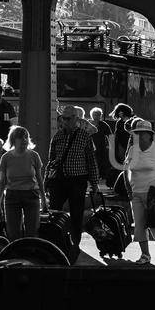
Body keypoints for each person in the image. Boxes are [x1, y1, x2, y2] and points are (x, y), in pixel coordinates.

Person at [122, 118, 155, 263]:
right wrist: (128, 188)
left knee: (153, 223)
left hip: (153, 193)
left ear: (149, 135)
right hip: (136, 192)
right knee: (139, 225)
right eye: (137, 133)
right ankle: (145, 255)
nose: (139, 136)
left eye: (143, 133)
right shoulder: (133, 149)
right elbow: (126, 170)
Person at [45, 106, 96, 249]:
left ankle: (75, 244)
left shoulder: (85, 136)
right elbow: (51, 161)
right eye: (63, 118)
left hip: (77, 180)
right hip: (59, 180)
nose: (64, 122)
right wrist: (46, 182)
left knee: (76, 214)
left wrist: (94, 183)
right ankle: (55, 243)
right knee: (54, 212)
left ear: (76, 119)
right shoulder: (57, 137)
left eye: (68, 119)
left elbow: (91, 161)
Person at [0, 125, 45, 240]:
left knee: (32, 232)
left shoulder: (34, 156)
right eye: (21, 137)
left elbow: (40, 180)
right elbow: (2, 182)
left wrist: (44, 200)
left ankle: (30, 255)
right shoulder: (6, 158)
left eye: (26, 137)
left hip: (31, 194)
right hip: (12, 196)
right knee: (13, 233)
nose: (24, 140)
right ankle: (15, 256)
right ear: (13, 140)